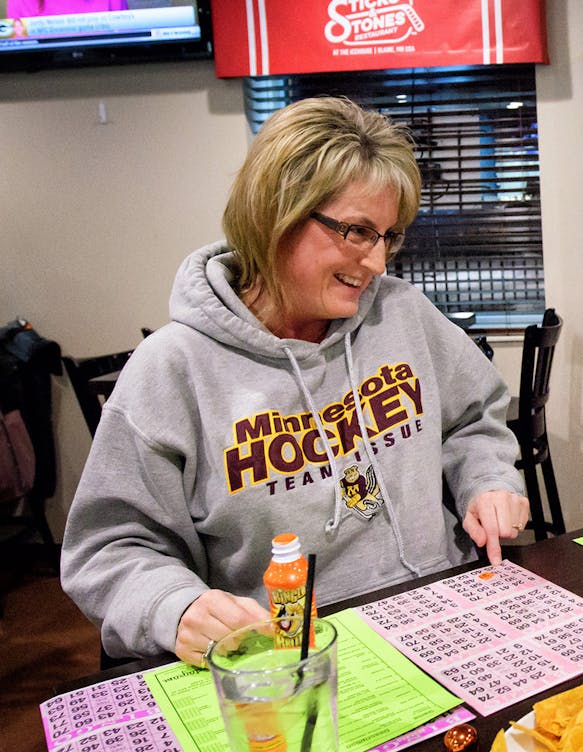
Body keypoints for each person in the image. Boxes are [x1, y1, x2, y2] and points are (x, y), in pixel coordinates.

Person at [60, 97, 531, 666]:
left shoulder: (401, 314)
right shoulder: (171, 370)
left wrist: (486, 478)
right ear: (275, 214)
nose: (378, 262)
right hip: (291, 661)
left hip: (444, 615)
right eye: (357, 231)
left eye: (387, 235)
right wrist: (174, 607)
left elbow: (473, 417)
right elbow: (109, 549)